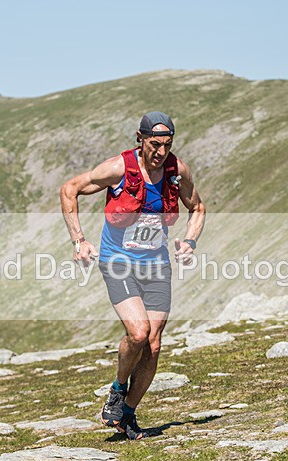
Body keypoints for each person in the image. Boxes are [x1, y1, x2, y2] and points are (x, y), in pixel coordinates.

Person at [60, 111, 206, 439]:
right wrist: (79, 240)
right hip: (118, 262)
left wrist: (191, 242)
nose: (161, 152)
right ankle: (117, 388)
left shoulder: (177, 171)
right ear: (139, 139)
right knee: (138, 333)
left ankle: (127, 414)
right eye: (155, 144)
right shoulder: (118, 168)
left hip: (156, 266)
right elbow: (69, 189)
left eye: (167, 145)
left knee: (153, 345)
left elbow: (197, 207)